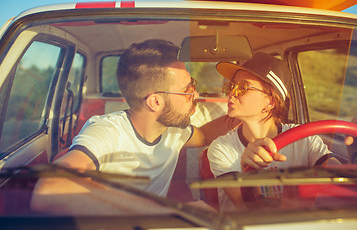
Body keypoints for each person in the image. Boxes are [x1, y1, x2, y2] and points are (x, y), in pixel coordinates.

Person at [31, 39, 237, 215]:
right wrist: (173, 213)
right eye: (187, 90)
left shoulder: (174, 130)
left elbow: (203, 135)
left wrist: (243, 113)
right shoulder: (106, 130)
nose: (196, 96)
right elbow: (50, 188)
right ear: (155, 102)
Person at [207, 52, 341, 210]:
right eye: (232, 86)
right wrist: (247, 170)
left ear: (270, 101)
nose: (231, 93)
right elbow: (246, 208)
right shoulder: (221, 149)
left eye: (242, 87)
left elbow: (337, 176)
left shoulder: (305, 139)